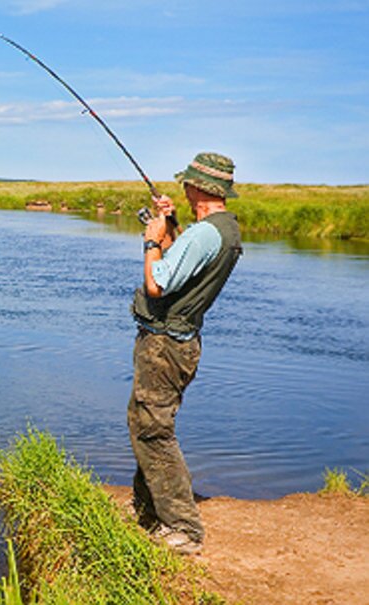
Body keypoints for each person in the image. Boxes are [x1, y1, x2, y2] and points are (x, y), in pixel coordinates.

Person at [127, 152, 242, 555]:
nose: (182, 187)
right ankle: (147, 509)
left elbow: (159, 283)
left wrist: (151, 239)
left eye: (186, 183)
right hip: (177, 343)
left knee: (154, 429)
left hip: (165, 347)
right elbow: (181, 265)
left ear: (198, 188)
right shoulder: (220, 229)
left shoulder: (206, 234)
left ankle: (182, 528)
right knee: (144, 421)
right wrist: (171, 224)